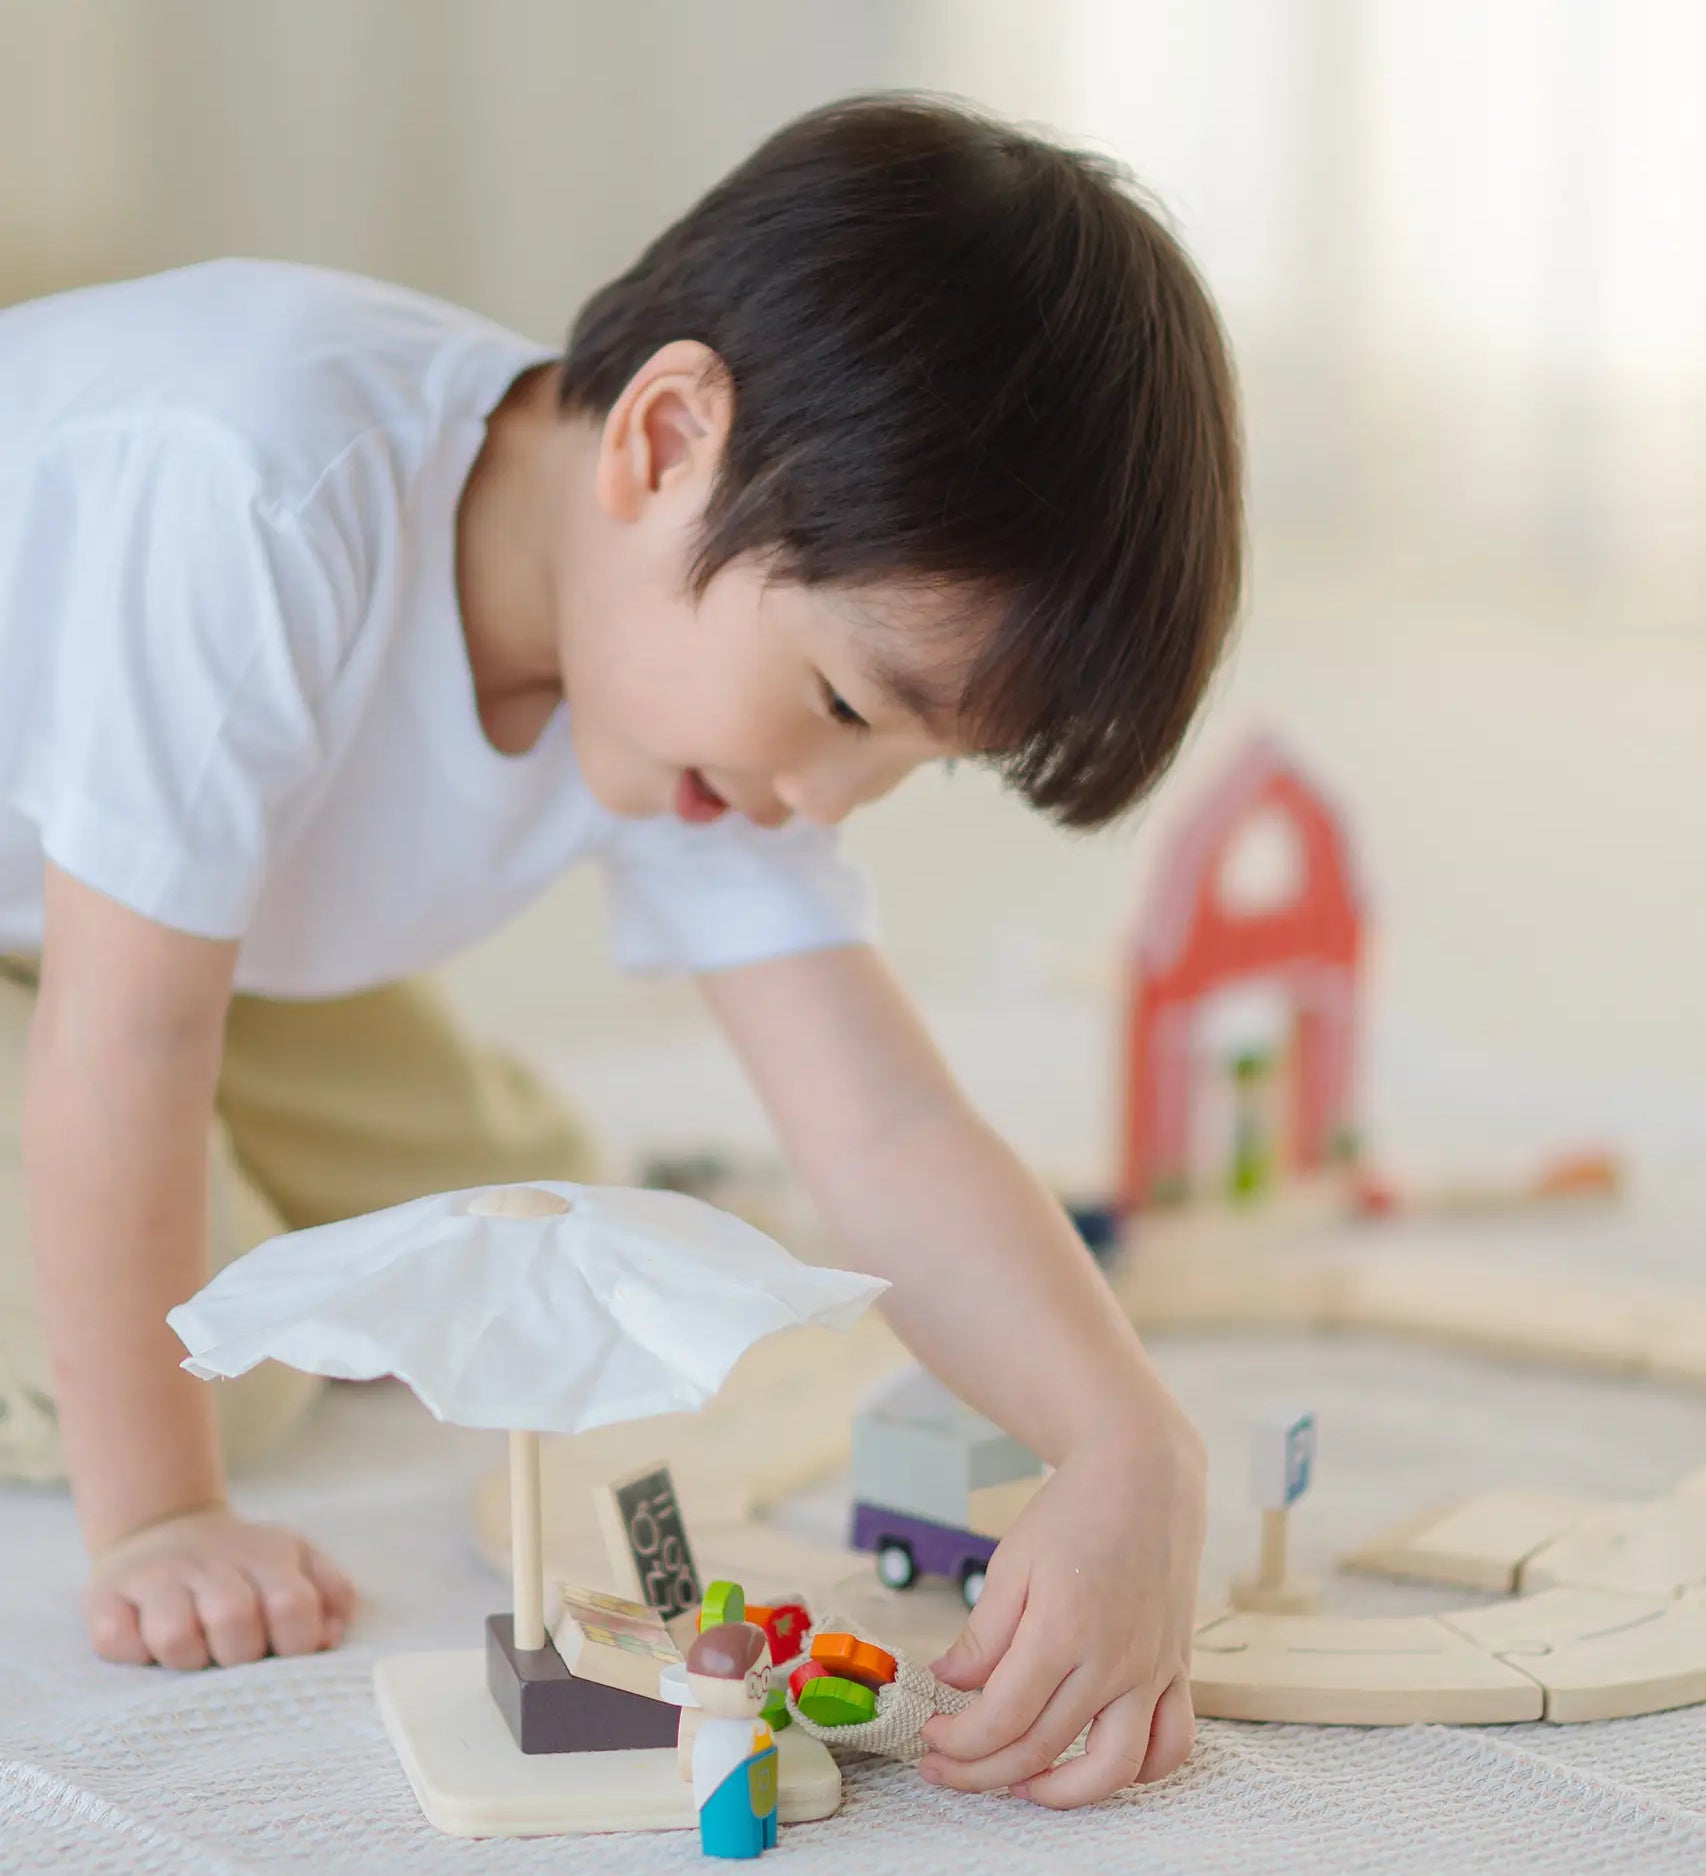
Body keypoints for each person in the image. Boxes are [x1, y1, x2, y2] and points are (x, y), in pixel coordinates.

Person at [0, 94, 1239, 1808]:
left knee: (529, 1218)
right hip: (100, 956)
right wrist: (162, 1514)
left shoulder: (660, 618)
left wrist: (1127, 1445)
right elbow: (126, 1042)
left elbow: (881, 1125)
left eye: (902, 766)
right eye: (840, 709)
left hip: (144, 932)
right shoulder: (260, 493)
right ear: (665, 441)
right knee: (212, 1359)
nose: (830, 799)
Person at [683, 1622, 779, 1859]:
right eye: (755, 1680)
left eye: (764, 1678)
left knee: (763, 1816)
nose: (761, 1689)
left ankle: (765, 1837)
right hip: (730, 1799)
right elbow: (706, 1778)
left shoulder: (759, 1727)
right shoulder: (714, 1736)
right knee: (739, 1830)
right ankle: (742, 1844)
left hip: (761, 1786)